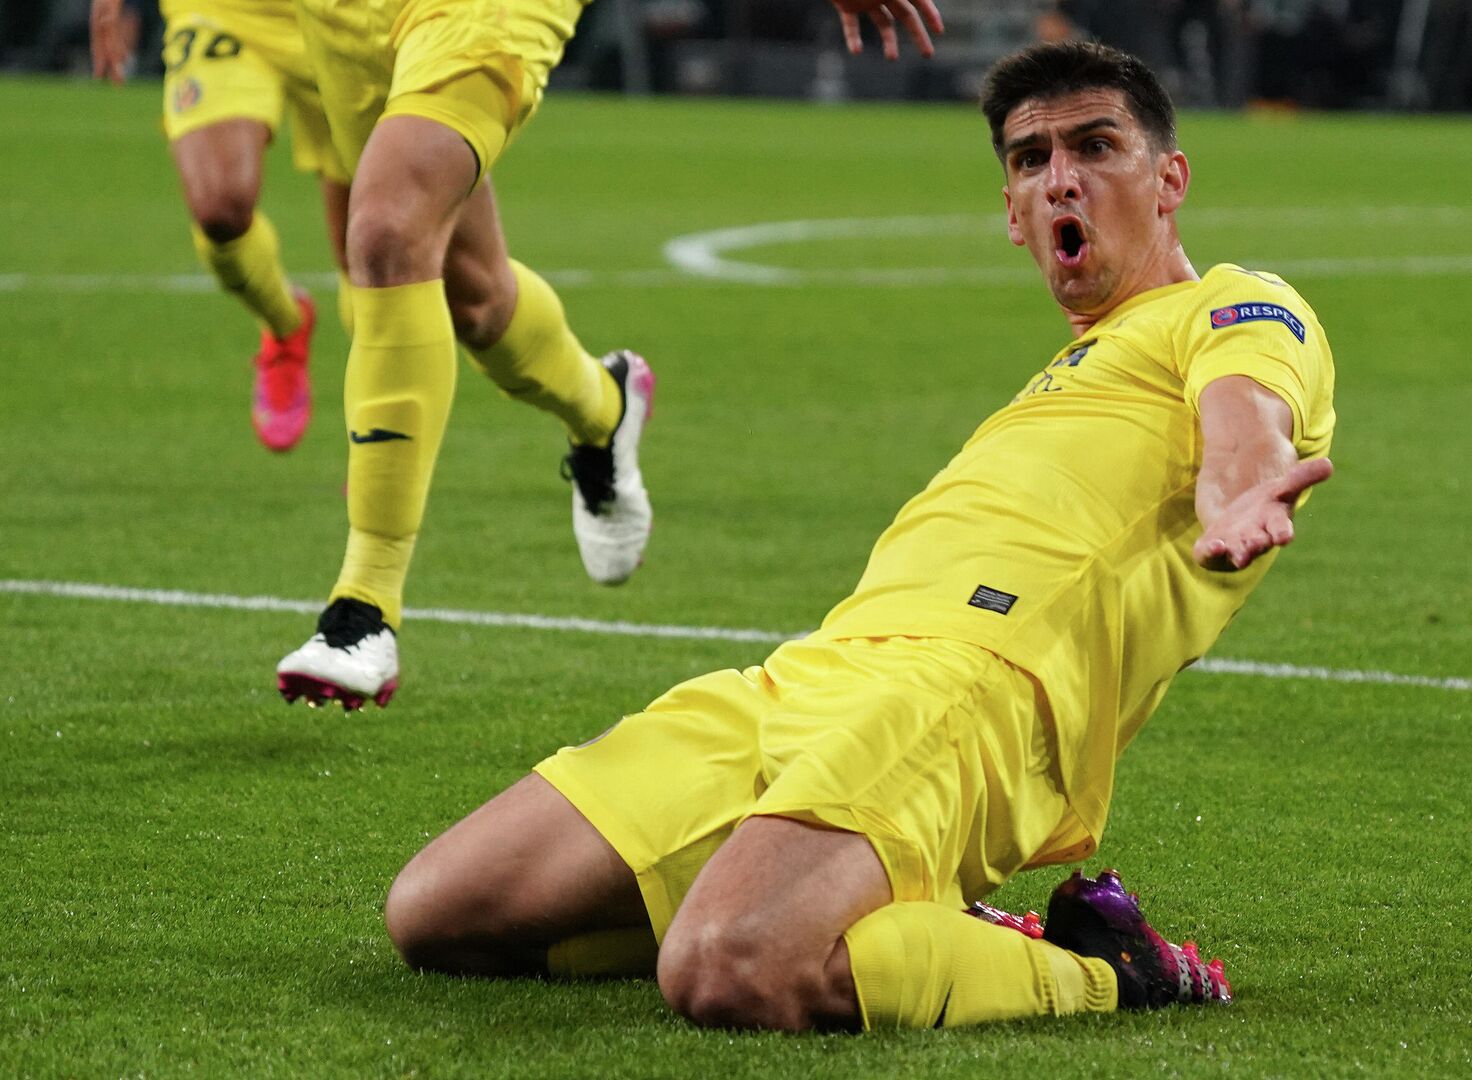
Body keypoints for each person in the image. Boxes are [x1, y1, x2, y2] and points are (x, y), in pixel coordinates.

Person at [384, 38, 1336, 1031]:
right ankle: (851, 896)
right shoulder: (1079, 367)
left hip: (971, 691)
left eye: (1096, 147)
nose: (1060, 179)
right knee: (441, 914)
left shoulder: (1232, 306)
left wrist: (1239, 495)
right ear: (1011, 215)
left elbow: (1245, 417)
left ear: (1169, 177)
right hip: (813, 674)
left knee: (728, 970)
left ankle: (1108, 969)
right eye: (1029, 158)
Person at [270, 0, 949, 711]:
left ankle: (362, 608)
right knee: (472, 299)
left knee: (385, 231)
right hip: (341, 18)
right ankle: (605, 403)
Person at [92, 0, 352, 453]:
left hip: (352, 21)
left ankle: (381, 454)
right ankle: (285, 323)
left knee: (376, 252)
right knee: (219, 206)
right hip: (224, 13)